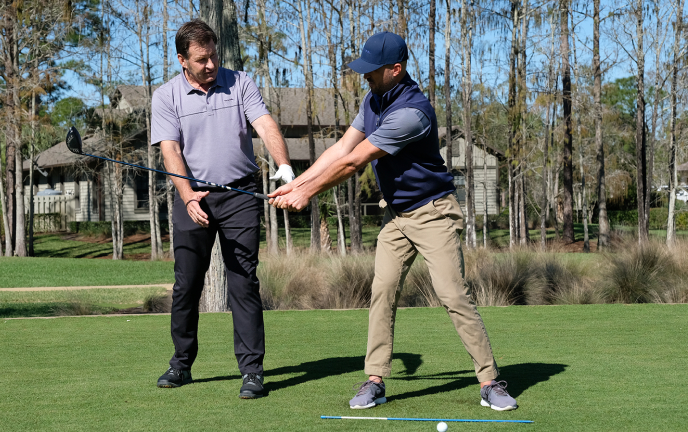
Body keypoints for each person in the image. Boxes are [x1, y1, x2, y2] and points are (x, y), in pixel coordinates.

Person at [269, 32, 518, 411]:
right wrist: (295, 184)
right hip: (397, 216)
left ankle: (489, 381)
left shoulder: (411, 113)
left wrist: (307, 194)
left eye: (371, 70)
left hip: (434, 212)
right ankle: (375, 380)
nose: (364, 76)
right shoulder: (373, 100)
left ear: (395, 69)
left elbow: (354, 162)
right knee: (382, 291)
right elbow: (341, 147)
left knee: (453, 295)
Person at [150, 19, 294, 399]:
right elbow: (171, 150)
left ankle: (251, 372)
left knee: (243, 282)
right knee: (187, 285)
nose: (211, 64)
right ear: (183, 60)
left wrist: (285, 170)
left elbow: (264, 124)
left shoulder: (240, 82)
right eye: (201, 59)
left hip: (240, 195)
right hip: (192, 196)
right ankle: (181, 364)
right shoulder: (166, 96)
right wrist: (187, 195)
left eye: (213, 55)